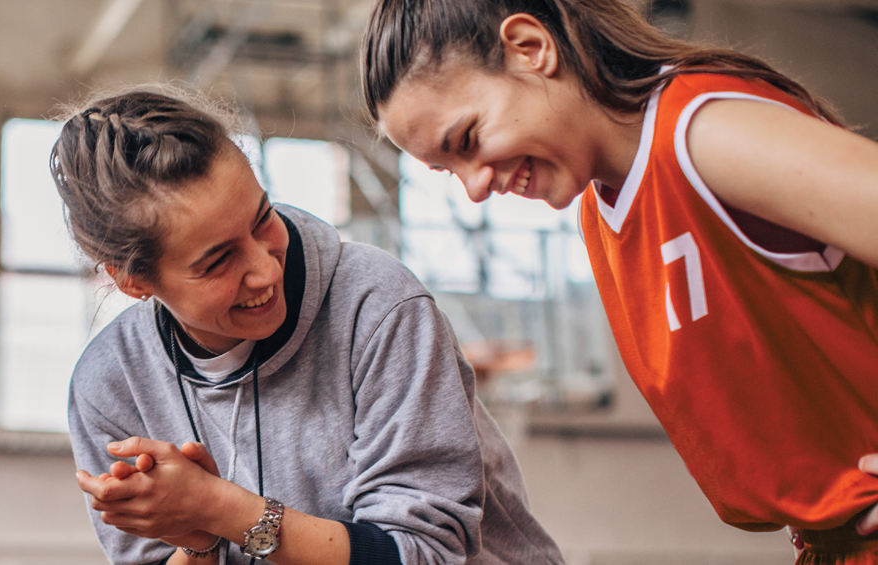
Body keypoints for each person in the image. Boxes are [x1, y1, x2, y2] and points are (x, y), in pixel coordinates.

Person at [359, 0, 878, 561]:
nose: (474, 187)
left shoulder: (701, 133)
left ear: (531, 49)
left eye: (467, 139)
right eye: (446, 171)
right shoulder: (600, 212)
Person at [52, 89, 564, 565]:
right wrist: (198, 539)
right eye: (218, 261)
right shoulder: (110, 384)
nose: (265, 270)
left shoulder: (378, 307)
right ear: (132, 281)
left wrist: (221, 509)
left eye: (262, 219)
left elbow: (425, 554)